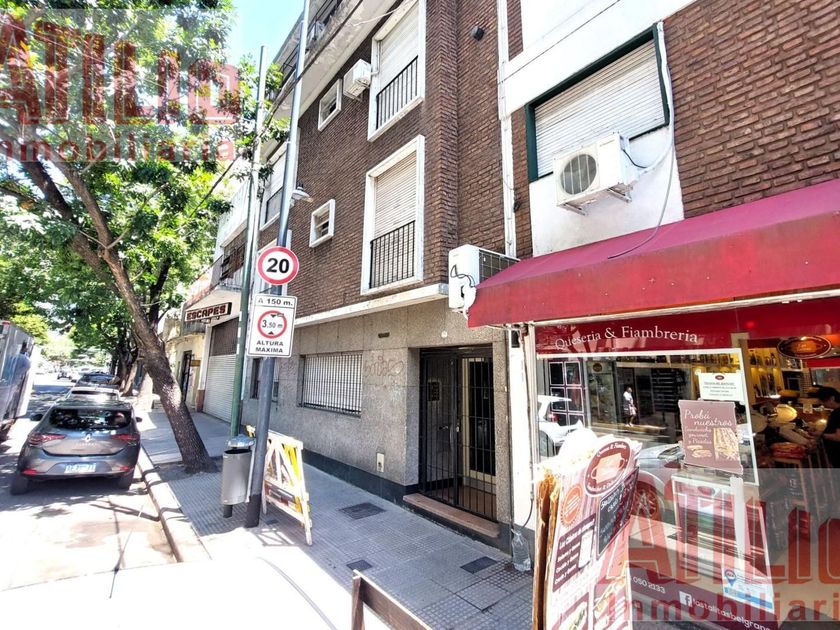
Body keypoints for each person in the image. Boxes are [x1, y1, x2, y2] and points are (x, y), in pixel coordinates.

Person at [0, 342, 32, 420]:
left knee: (3, 399)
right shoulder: (25, 358)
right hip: (12, 382)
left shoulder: (10, 356)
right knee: (5, 401)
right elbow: (27, 367)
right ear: (24, 348)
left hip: (4, 381)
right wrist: (17, 373)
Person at [815, 386, 840, 467]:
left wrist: (821, 435)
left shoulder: (838, 413)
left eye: (823, 401)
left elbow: (838, 437)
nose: (823, 404)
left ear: (832, 398)